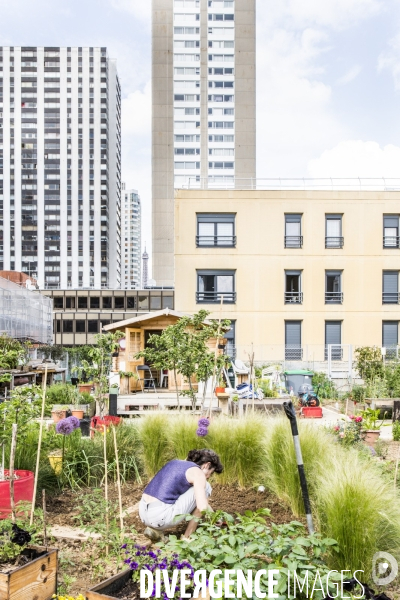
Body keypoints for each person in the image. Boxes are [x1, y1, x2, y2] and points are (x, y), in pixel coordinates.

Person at [139, 449, 223, 539]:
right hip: (159, 518)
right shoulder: (198, 473)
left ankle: (155, 531)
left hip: (143, 513)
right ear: (207, 465)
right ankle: (187, 538)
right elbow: (202, 507)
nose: (209, 476)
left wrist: (214, 516)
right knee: (206, 487)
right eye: (211, 473)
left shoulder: (175, 463)